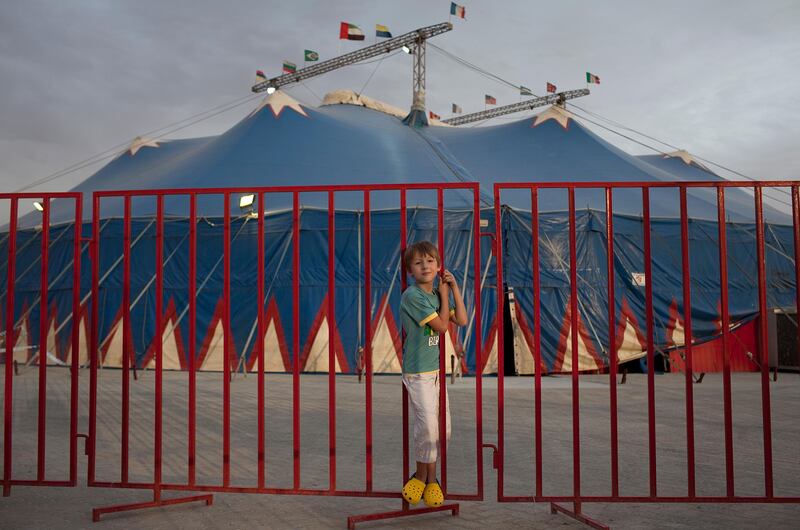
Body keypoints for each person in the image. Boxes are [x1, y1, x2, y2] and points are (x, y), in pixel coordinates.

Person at [399, 241, 467, 507]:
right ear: (410, 270)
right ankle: (424, 478)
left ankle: (429, 480)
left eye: (430, 261)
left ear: (439, 266)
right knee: (427, 427)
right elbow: (441, 327)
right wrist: (445, 295)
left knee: (443, 430)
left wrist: (454, 289)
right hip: (418, 372)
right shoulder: (413, 296)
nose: (425, 266)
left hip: (436, 372)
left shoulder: (437, 295)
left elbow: (460, 319)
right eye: (418, 263)